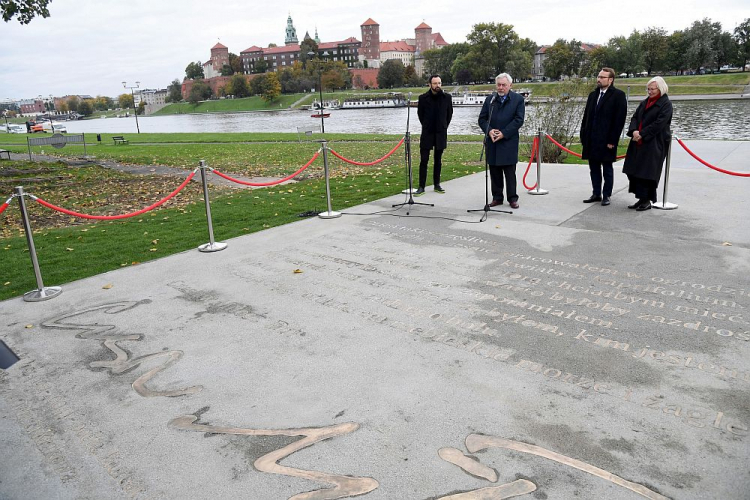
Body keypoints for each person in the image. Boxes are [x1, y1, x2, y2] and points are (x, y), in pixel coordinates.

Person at [622, 76, 673, 211]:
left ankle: (647, 199)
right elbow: (635, 117)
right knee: (632, 170)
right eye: (648, 89)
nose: (649, 92)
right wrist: (633, 131)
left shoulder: (666, 104)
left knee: (647, 173)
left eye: (652, 89)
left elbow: (659, 124)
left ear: (660, 88)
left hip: (654, 143)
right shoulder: (645, 102)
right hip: (638, 141)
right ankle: (641, 197)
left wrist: (642, 133)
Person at [580, 67, 627, 206]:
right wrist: (584, 135)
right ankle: (596, 193)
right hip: (591, 139)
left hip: (607, 140)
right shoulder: (593, 95)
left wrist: (613, 140)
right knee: (593, 168)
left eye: (602, 77)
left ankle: (606, 195)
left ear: (610, 80)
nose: (599, 79)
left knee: (607, 168)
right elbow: (586, 117)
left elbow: (619, 120)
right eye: (598, 76)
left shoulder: (618, 95)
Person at [478, 73, 525, 209]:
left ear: (510, 85)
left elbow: (519, 120)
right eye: (498, 85)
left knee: (510, 172)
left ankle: (512, 198)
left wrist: (504, 133)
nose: (501, 87)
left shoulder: (517, 100)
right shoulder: (490, 100)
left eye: (504, 85)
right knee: (494, 171)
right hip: (492, 141)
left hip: (508, 140)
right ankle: (497, 197)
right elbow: (482, 119)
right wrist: (490, 130)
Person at [416, 74, 453, 195]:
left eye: (439, 83)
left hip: (440, 132)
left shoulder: (447, 98)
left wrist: (443, 125)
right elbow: (420, 115)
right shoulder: (423, 98)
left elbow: (449, 115)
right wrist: (427, 125)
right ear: (430, 84)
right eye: (435, 83)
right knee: (424, 160)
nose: (438, 86)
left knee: (438, 159)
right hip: (427, 132)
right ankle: (421, 186)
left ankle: (437, 184)